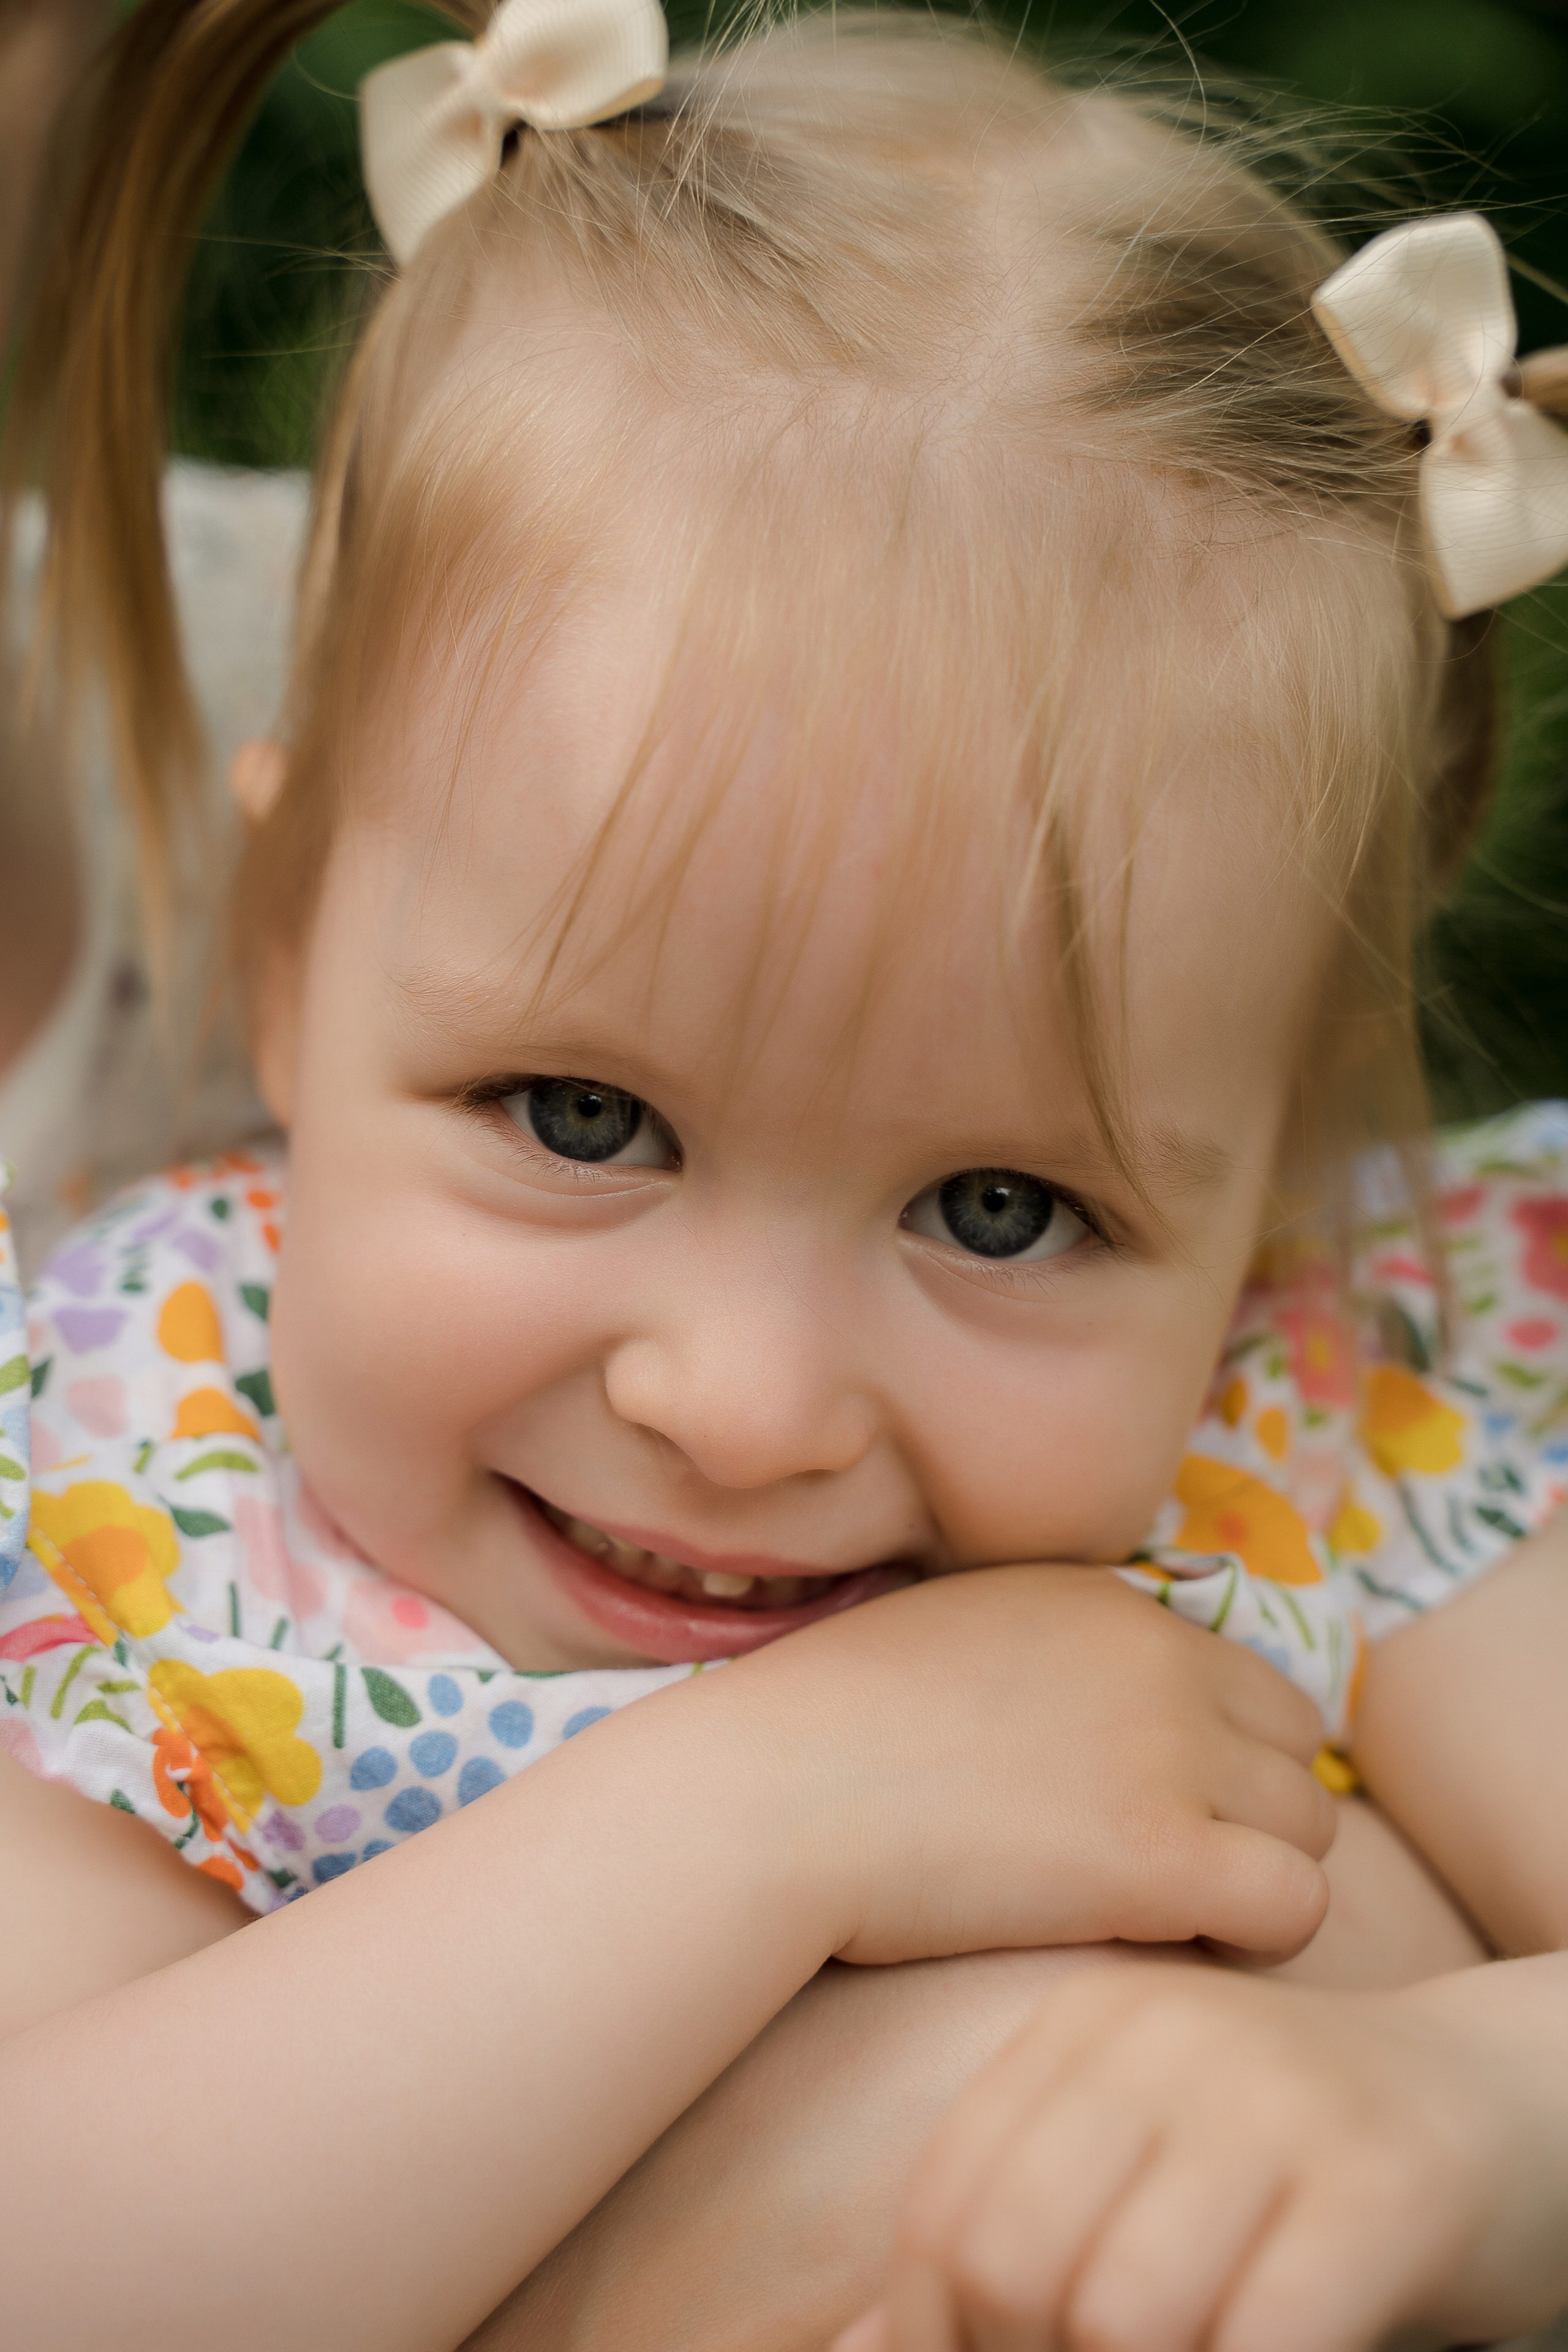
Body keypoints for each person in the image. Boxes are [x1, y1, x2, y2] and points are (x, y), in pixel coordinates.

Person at [4, 4, 1568, 2347]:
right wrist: (779, 1812)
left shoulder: (1339, 1428)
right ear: (286, 946)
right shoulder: (163, 1516)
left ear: (1269, 1179)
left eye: (1004, 1211)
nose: (744, 1408)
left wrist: (1461, 2120)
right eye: (582, 1119)